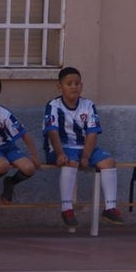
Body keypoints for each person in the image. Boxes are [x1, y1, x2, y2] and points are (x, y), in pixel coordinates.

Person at [43, 66, 125, 231]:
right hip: (61, 148)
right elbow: (52, 132)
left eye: (77, 83)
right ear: (59, 86)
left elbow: (92, 133)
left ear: (82, 85)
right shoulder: (53, 105)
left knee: (109, 162)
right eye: (69, 83)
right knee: (70, 161)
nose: (74, 86)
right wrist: (59, 153)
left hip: (84, 148)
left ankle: (110, 208)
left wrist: (86, 156)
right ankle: (67, 209)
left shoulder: (88, 105)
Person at [0, 75, 41, 206]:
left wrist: (35, 156)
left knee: (29, 168)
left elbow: (24, 134)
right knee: (3, 165)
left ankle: (10, 182)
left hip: (9, 147)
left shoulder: (4, 115)